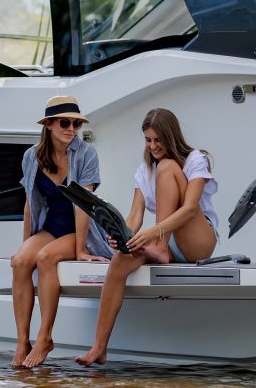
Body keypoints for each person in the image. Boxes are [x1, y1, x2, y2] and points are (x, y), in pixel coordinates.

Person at [76, 107, 218, 366]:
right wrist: (119, 235)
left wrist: (154, 234)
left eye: (158, 140)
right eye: (148, 140)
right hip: (161, 239)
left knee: (167, 166)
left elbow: (189, 209)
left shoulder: (195, 159)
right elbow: (134, 217)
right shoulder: (144, 170)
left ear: (171, 136)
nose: (152, 146)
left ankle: (160, 247)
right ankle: (99, 348)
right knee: (119, 261)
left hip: (196, 237)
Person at [11, 95, 113, 368]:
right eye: (65, 123)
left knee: (45, 257)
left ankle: (45, 338)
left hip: (81, 230)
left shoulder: (86, 153)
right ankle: (22, 341)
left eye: (76, 124)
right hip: (51, 226)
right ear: (49, 124)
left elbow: (84, 204)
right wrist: (25, 244)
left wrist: (81, 250)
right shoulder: (31, 156)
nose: (71, 129)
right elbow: (30, 203)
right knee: (20, 261)